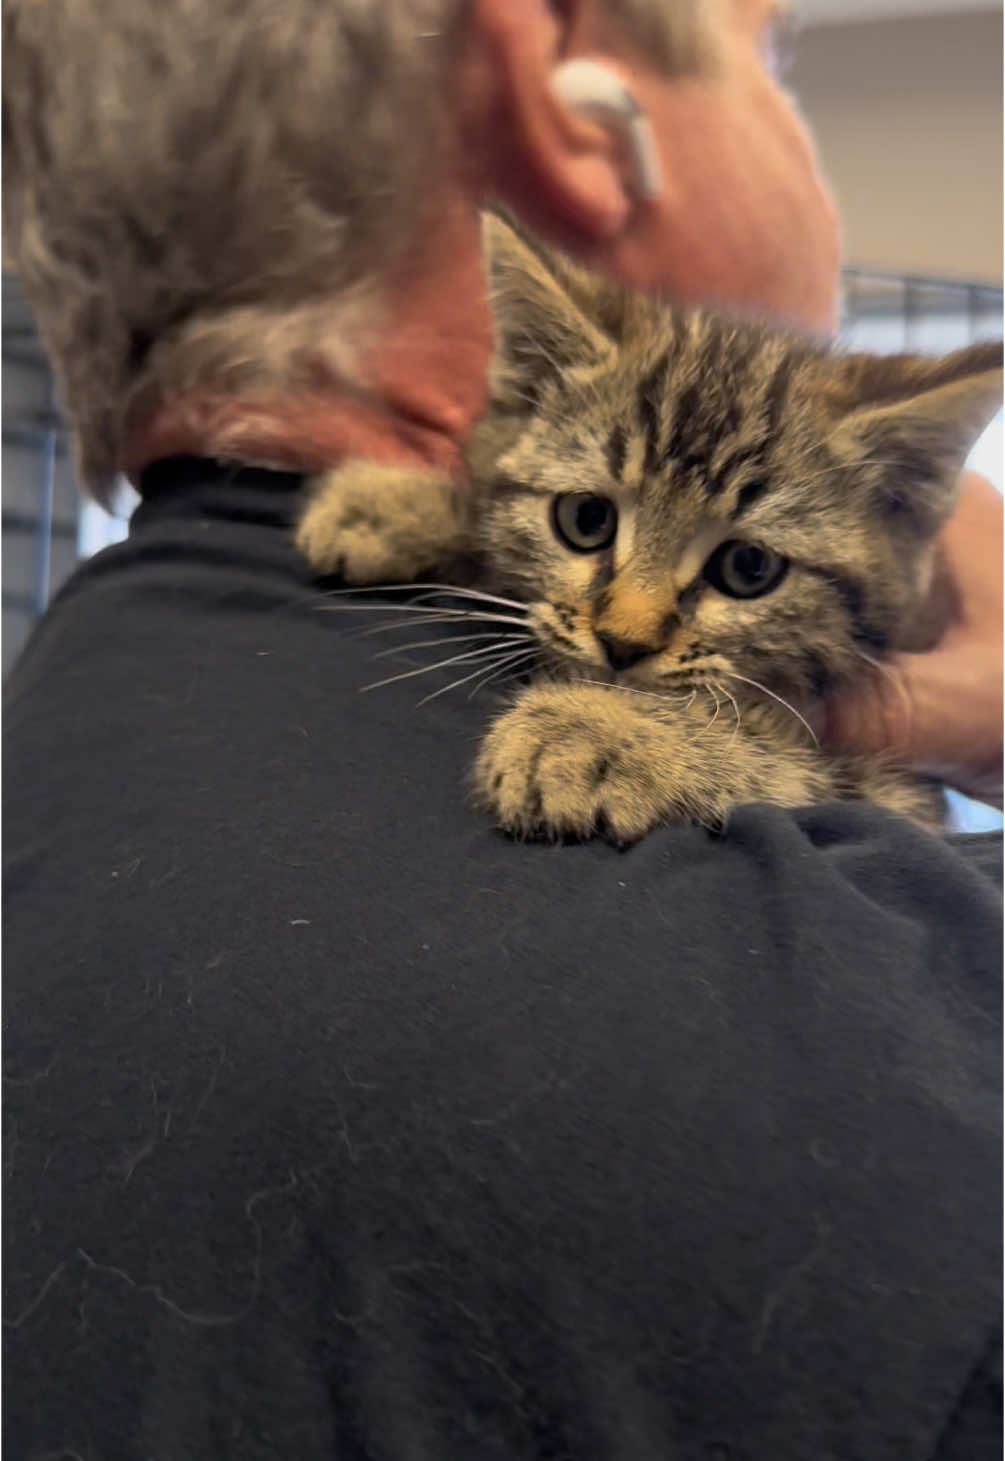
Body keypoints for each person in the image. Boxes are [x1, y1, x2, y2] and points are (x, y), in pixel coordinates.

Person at [3, 1, 1000, 1456]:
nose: (634, 630)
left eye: (730, 567)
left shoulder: (64, 711)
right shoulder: (894, 1023)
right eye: (769, 51)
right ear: (572, 89)